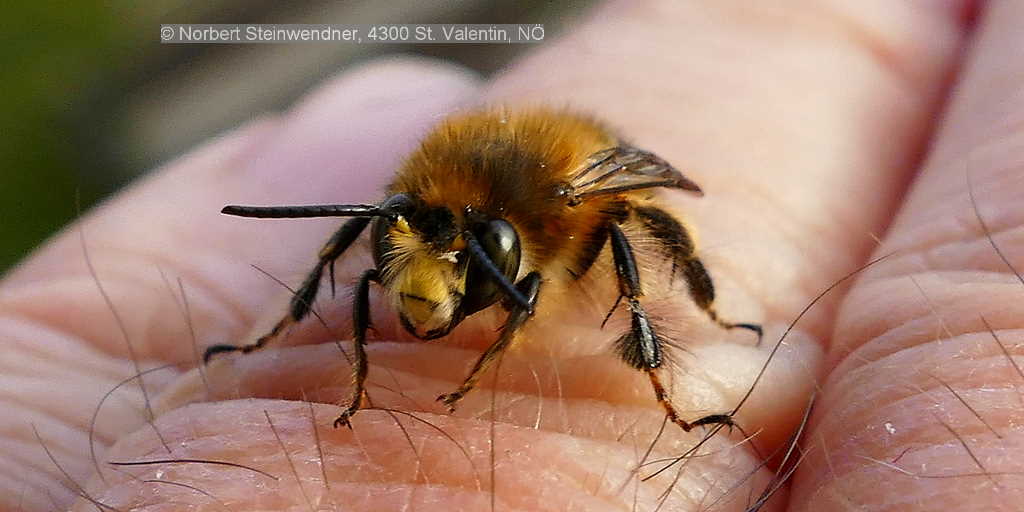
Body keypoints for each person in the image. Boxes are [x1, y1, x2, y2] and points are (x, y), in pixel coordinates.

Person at [4, 1, 1019, 509]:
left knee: (642, 235)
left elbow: (626, 216)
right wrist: (294, 333)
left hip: (576, 189)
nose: (427, 275)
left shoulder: (562, 205)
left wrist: (561, 348)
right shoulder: (425, 210)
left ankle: (673, 364)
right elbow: (387, 237)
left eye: (464, 256)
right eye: (414, 243)